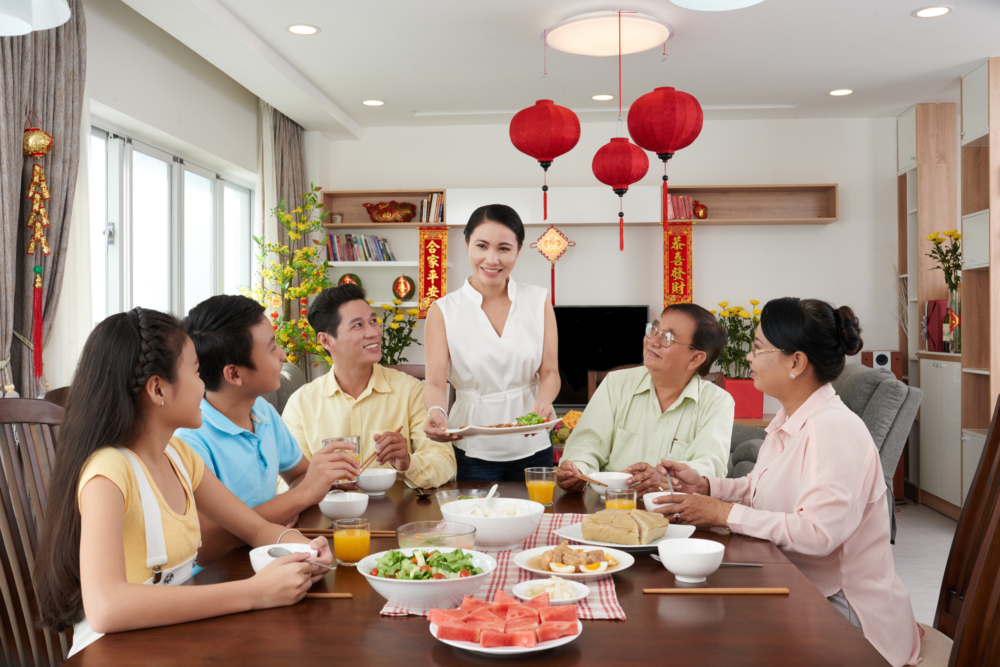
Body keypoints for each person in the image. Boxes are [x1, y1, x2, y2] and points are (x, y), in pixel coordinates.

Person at [33, 308, 332, 658]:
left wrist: (303, 550)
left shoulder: (178, 455)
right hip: (116, 651)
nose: (204, 385)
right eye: (195, 372)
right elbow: (106, 607)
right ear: (158, 388)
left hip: (171, 641)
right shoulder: (109, 473)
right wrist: (254, 592)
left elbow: (256, 529)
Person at [653, 298, 920, 667]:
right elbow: (760, 485)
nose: (748, 358)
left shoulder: (834, 429)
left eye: (759, 348)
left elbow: (818, 533)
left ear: (796, 362)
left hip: (844, 612)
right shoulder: (792, 417)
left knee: (709, 633)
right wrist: (707, 487)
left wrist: (724, 513)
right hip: (802, 586)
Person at [177, 295, 360, 567]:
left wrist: (293, 500)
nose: (283, 354)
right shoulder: (190, 439)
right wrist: (298, 498)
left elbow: (299, 475)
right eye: (272, 347)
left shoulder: (262, 411)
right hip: (220, 575)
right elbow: (204, 545)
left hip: (267, 555)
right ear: (234, 375)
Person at [422, 204, 560, 482]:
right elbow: (436, 382)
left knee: (537, 521)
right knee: (477, 522)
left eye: (504, 248)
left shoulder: (537, 300)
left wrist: (543, 403)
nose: (492, 259)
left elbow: (550, 373)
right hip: (472, 449)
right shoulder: (443, 310)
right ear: (467, 243)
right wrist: (436, 412)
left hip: (533, 445)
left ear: (519, 250)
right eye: (482, 246)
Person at [282, 284, 456, 488]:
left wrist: (408, 462)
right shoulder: (301, 404)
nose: (373, 332)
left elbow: (446, 463)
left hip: (399, 514)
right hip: (328, 515)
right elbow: (285, 481)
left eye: (373, 321)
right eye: (358, 325)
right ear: (326, 340)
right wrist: (322, 483)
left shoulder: (410, 391)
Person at [556, 303, 734, 496]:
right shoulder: (616, 384)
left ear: (695, 359)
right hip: (610, 506)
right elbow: (586, 445)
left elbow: (709, 468)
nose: (653, 341)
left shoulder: (717, 402)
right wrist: (577, 471)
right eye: (653, 330)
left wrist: (665, 480)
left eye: (667, 337)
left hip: (675, 512)